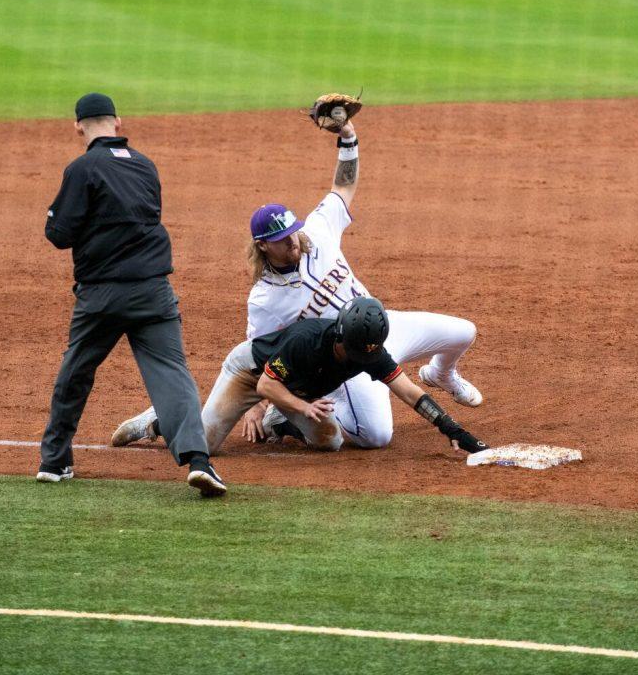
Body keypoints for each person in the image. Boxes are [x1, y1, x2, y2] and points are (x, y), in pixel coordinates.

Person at [112, 113, 485, 454]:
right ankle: (172, 419)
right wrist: (258, 406)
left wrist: (348, 137)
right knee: (375, 436)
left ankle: (440, 374)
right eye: (283, 240)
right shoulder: (265, 298)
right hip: (343, 357)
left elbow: (344, 187)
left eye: (293, 233)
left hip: (378, 329)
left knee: (463, 332)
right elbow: (260, 355)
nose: (293, 242)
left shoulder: (318, 231)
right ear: (263, 246)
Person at [38, 92, 225, 497]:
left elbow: (58, 234)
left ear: (78, 126)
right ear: (118, 122)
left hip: (101, 297)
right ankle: (199, 460)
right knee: (173, 375)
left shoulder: (82, 168)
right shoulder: (145, 166)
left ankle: (54, 462)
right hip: (153, 291)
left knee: (76, 372)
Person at [115, 298, 488, 456]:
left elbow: (408, 392)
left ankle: (281, 423)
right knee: (205, 447)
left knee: (330, 441)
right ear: (340, 335)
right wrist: (301, 405)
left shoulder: (369, 350)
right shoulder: (306, 340)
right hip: (250, 373)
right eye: (356, 353)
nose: (361, 360)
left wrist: (452, 429)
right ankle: (160, 421)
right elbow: (265, 384)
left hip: (292, 390)